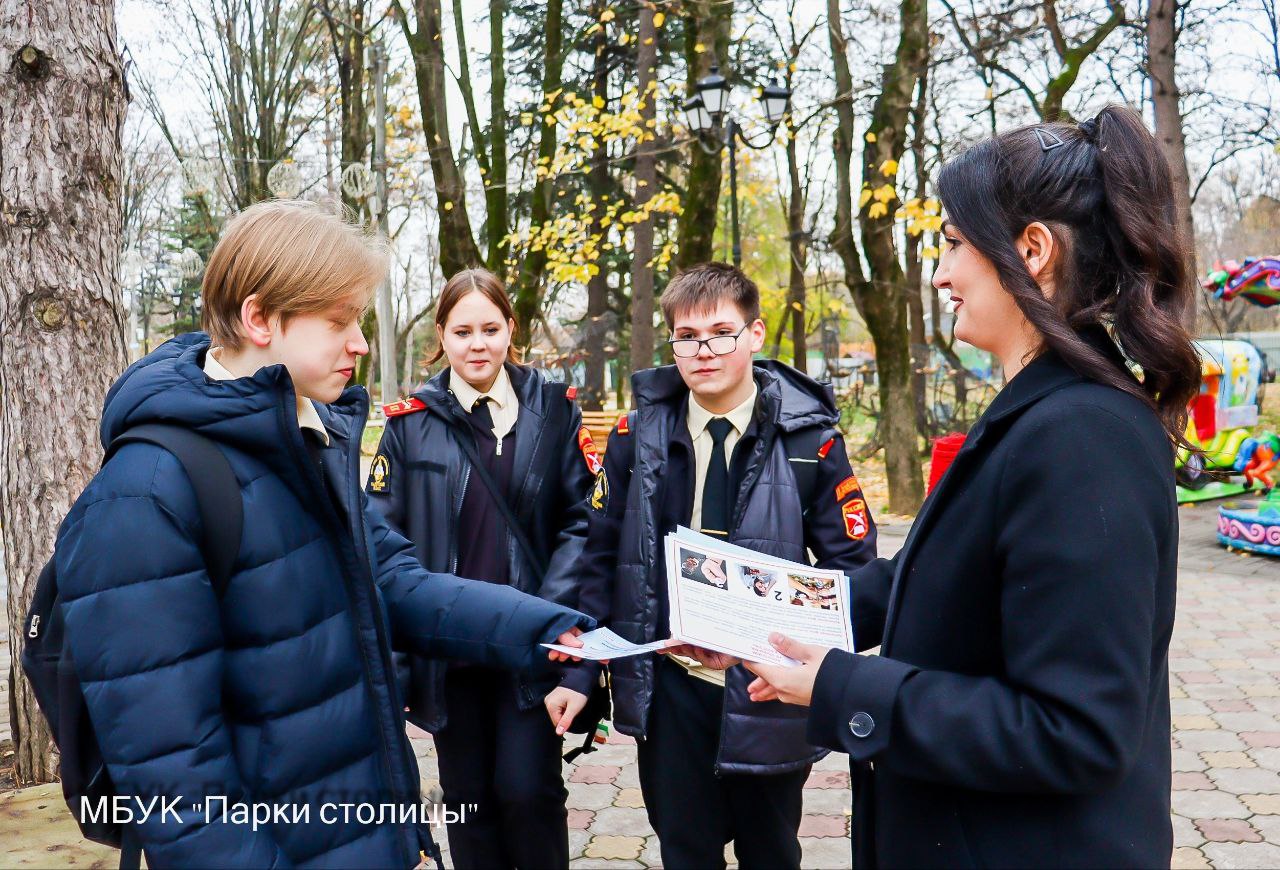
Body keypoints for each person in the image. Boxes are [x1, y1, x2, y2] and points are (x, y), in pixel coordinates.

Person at [52, 200, 592, 869]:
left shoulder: (308, 447)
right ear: (259, 319)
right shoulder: (147, 492)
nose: (360, 343)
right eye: (339, 321)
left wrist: (552, 628)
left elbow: (397, 584)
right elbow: (175, 783)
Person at [740, 106, 1199, 868]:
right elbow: (939, 580)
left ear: (1034, 251)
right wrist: (755, 612)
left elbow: (1076, 730)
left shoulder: (1084, 436)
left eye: (955, 243)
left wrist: (842, 687)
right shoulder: (1044, 408)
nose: (942, 273)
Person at [569, 262, 880, 870]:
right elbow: (601, 551)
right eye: (687, 337)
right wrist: (587, 666)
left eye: (721, 333)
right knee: (684, 847)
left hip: (766, 687)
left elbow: (850, 563)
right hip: (671, 683)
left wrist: (805, 655)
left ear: (755, 334)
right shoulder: (637, 436)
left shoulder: (809, 441)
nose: (704, 351)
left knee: (771, 849)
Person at [365, 267, 597, 870]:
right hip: (452, 650)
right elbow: (383, 542)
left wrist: (553, 621)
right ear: (441, 335)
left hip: (532, 647)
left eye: (490, 329)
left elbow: (582, 523)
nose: (477, 345)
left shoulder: (554, 412)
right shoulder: (408, 425)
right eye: (462, 331)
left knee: (529, 794)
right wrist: (398, 668)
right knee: (468, 803)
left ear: (510, 329)